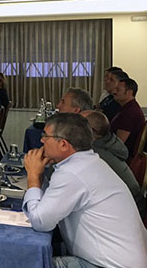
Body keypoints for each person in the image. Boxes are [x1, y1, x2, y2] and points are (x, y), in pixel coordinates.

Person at [23, 113, 147, 268]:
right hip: (120, 259)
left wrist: (33, 176)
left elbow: (40, 222)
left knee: (25, 260)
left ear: (63, 144)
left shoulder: (72, 172)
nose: (41, 140)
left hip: (107, 264)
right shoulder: (89, 162)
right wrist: (39, 176)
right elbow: (51, 203)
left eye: (45, 136)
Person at [81, 110, 145, 218]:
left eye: (75, 125)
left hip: (128, 213)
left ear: (90, 131)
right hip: (128, 205)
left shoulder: (94, 154)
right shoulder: (108, 142)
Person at [111, 78, 145, 160]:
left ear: (129, 92)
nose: (113, 92)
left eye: (118, 89)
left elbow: (118, 144)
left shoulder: (129, 113)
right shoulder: (127, 108)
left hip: (123, 157)